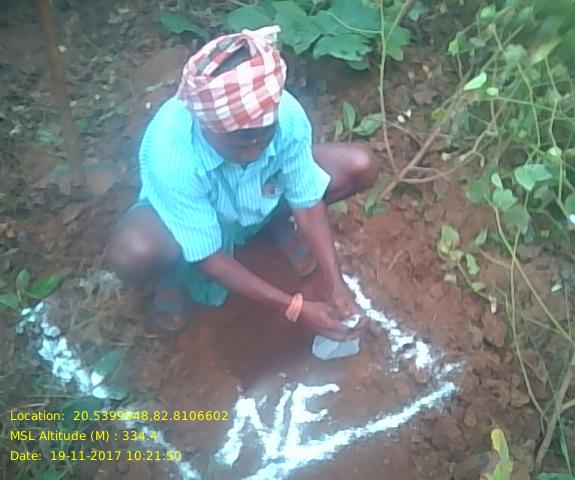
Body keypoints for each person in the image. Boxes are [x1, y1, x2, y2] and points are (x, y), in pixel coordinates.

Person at [106, 26, 379, 341]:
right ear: (206, 126)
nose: (252, 152)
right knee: (133, 253)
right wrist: (294, 307)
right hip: (189, 218)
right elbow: (208, 255)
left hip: (262, 194)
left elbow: (306, 200)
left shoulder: (286, 116)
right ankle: (173, 274)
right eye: (237, 143)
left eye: (263, 137)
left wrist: (335, 282)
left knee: (360, 165)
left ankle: (273, 222)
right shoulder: (172, 152)